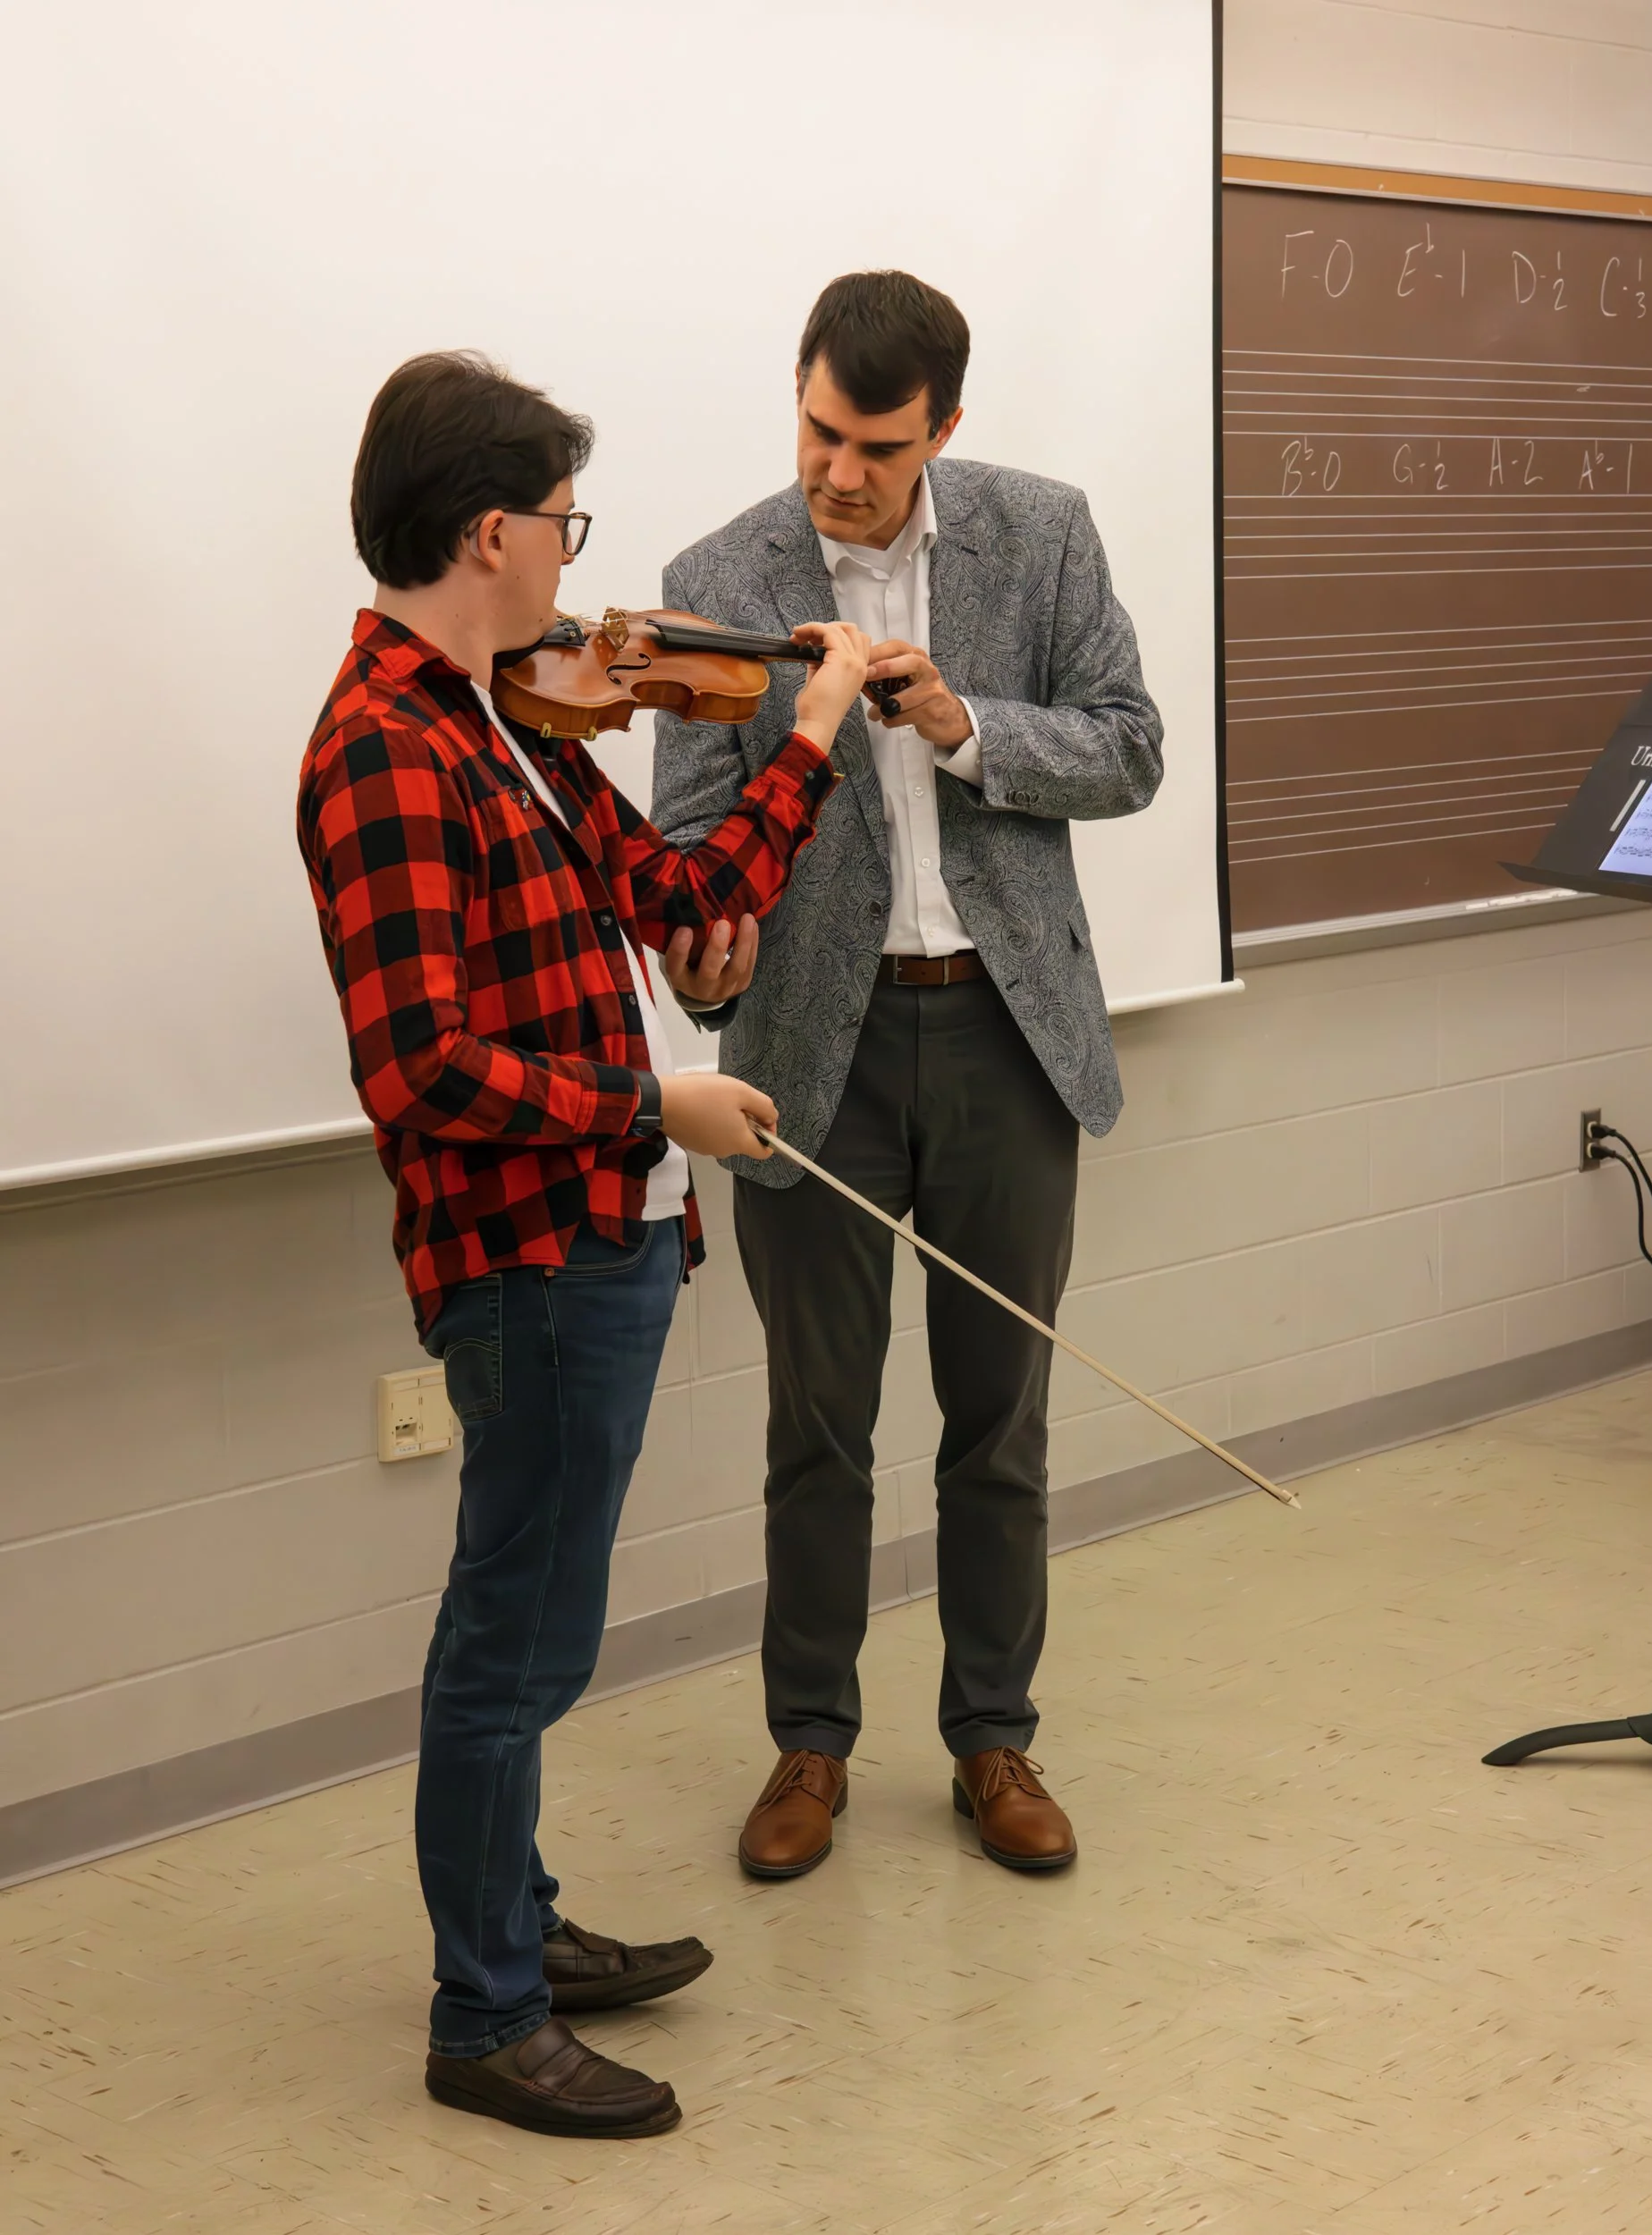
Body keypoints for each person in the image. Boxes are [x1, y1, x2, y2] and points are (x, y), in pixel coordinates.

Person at [297, 351, 868, 2137]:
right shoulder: (386, 751)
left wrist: (806, 736)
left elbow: (683, 901)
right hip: (529, 1260)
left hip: (605, 1239)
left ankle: (520, 1929)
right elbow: (420, 1067)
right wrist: (653, 1107)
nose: (573, 559)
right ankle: (484, 2014)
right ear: (488, 532)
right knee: (512, 1646)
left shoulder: (503, 727)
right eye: (561, 522)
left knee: (537, 1626)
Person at [652, 272, 1162, 1881]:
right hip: (814, 1053)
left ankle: (991, 1738)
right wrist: (701, 961)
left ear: (942, 428)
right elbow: (684, 848)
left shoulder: (1042, 535)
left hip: (1006, 1033)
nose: (838, 470)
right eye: (818, 431)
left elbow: (1130, 746)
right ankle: (809, 1741)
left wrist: (963, 724)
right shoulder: (711, 580)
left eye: (876, 445)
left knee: (997, 1418)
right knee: (817, 1425)